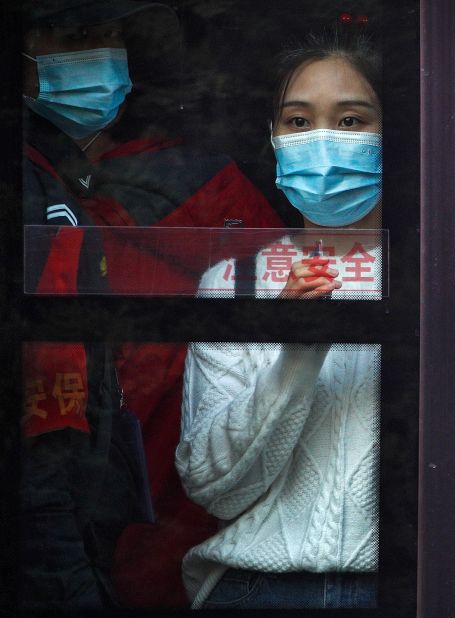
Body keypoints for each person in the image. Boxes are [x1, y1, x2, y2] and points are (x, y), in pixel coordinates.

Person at [21, 0, 284, 607]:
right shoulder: (31, 180)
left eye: (115, 36)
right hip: (80, 482)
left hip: (183, 482)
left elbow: (276, 332)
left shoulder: (208, 184)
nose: (104, 56)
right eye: (80, 35)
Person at [174, 29, 382, 609]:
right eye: (297, 121)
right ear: (273, 139)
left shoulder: (443, 282)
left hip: (408, 585)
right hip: (254, 590)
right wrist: (297, 354)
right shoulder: (233, 283)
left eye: (350, 121)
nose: (322, 141)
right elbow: (214, 489)